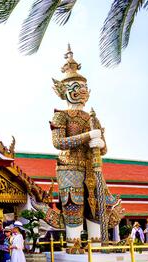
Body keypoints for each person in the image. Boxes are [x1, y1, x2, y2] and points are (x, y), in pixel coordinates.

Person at [32, 45, 123, 244]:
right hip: (69, 166)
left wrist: (100, 142)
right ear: (64, 90)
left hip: (92, 166)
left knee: (95, 206)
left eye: (83, 87)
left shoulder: (92, 118)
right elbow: (58, 142)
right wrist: (87, 136)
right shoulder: (61, 115)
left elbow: (102, 148)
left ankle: (96, 242)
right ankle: (73, 244)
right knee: (74, 204)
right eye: (75, 87)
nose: (81, 91)